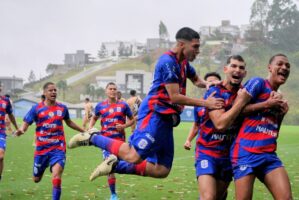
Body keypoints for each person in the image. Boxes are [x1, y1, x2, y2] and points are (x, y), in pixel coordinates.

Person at [68, 27, 224, 181]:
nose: (197, 51)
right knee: (133, 155)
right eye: (195, 46)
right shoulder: (167, 62)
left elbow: (197, 80)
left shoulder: (183, 63)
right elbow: (175, 97)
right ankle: (92, 137)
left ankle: (116, 165)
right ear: (182, 44)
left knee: (162, 169)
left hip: (167, 119)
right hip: (155, 113)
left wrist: (209, 84)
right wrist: (206, 103)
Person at [231, 54, 292, 199]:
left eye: (287, 66)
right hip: (245, 153)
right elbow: (236, 111)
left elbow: (273, 132)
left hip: (268, 155)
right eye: (280, 64)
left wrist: (281, 115)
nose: (284, 67)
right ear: (270, 68)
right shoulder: (258, 83)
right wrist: (266, 104)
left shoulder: (278, 97)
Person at [15, 82, 85, 200]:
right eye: (50, 90)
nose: (53, 92)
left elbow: (69, 122)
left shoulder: (62, 108)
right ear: (44, 93)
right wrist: (21, 130)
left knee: (57, 175)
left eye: (55, 90)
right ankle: (42, 168)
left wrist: (83, 130)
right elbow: (26, 123)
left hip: (58, 148)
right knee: (36, 179)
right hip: (41, 150)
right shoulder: (36, 109)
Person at [194, 55, 251, 200]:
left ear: (245, 73)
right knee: (208, 197)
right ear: (226, 69)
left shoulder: (246, 93)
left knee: (218, 196)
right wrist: (240, 103)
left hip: (229, 155)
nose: (237, 70)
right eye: (233, 66)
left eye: (241, 68)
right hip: (207, 151)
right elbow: (220, 124)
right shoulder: (215, 92)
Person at [88, 82, 134, 200]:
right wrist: (90, 129)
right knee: (110, 166)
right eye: (110, 89)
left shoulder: (123, 105)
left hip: (120, 142)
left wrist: (124, 126)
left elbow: (132, 120)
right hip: (106, 142)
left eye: (114, 89)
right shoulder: (100, 106)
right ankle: (113, 194)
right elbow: (93, 118)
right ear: (106, 91)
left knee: (122, 164)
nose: (112, 91)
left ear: (116, 91)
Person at [184, 72, 222, 151]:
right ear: (205, 85)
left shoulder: (226, 101)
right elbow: (196, 125)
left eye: (215, 82)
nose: (213, 85)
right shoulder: (199, 103)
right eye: (210, 82)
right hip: (203, 148)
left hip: (223, 147)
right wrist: (188, 140)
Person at [0, 87, 18, 182]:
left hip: (1, 133)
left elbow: (10, 115)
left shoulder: (5, 101)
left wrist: (17, 127)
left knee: (1, 156)